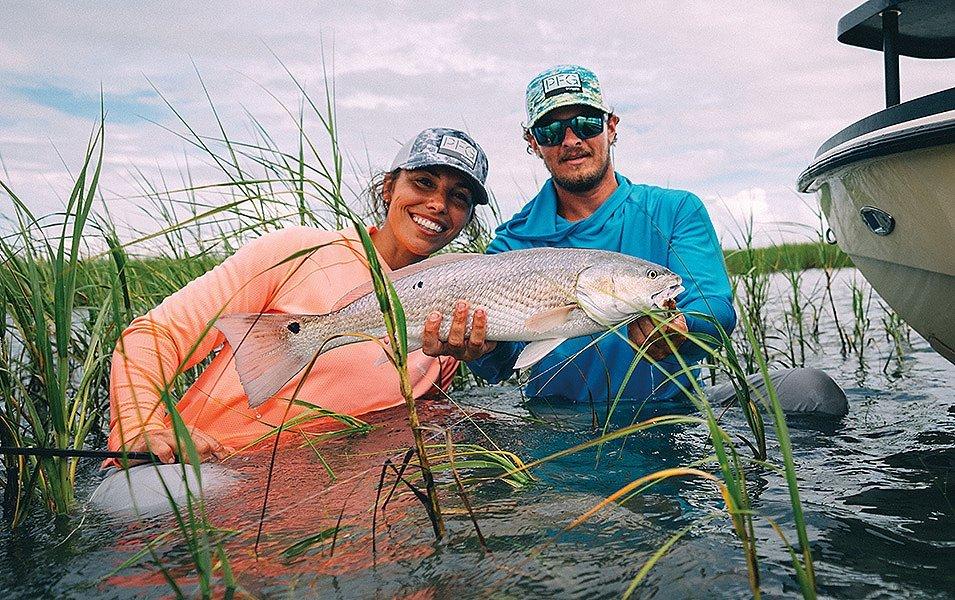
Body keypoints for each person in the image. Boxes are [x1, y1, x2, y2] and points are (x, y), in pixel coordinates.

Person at [423, 65, 847, 416]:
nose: (571, 140)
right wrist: (473, 351)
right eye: (551, 131)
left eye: (586, 123)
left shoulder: (675, 210)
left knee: (813, 393)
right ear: (533, 143)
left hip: (674, 411)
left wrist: (684, 327)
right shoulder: (511, 243)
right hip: (555, 418)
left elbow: (715, 309)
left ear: (611, 127)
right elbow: (498, 367)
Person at [107, 127, 491, 467]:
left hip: (308, 506)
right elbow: (155, 335)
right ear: (389, 188)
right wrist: (140, 425)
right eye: (424, 182)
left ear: (467, 218)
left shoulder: (448, 325)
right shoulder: (296, 252)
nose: (439, 204)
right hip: (193, 468)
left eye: (458, 197)